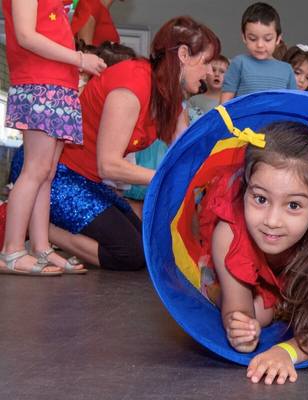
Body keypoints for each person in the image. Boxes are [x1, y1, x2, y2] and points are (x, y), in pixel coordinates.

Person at [43, 16, 220, 271]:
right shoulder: (133, 82)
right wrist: (165, 176)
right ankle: (38, 225)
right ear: (184, 54)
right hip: (62, 179)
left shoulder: (166, 95)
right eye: (206, 62)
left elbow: (185, 151)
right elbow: (109, 165)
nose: (209, 72)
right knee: (132, 253)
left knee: (146, 246)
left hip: (90, 184)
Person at [194, 119, 308, 385]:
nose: (272, 221)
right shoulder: (229, 234)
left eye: (294, 205)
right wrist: (240, 328)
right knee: (257, 315)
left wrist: (286, 352)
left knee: (276, 311)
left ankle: (280, 302)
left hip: (290, 275)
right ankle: (222, 290)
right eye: (261, 199)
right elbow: (239, 308)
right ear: (246, 188)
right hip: (243, 275)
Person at [0, 0, 106, 276]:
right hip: (39, 82)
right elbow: (25, 35)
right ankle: (12, 250)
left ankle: (40, 246)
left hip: (57, 83)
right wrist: (80, 59)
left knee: (46, 172)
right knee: (35, 169)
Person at [220, 2, 296, 103]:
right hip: (243, 118)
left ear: (278, 39)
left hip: (278, 119)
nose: (260, 45)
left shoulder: (287, 70)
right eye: (253, 38)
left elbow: (292, 104)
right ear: (244, 37)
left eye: (267, 39)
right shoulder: (239, 63)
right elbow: (225, 103)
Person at [188, 54, 230, 122]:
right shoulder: (194, 100)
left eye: (222, 71)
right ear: (205, 75)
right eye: (213, 70)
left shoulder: (231, 101)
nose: (217, 74)